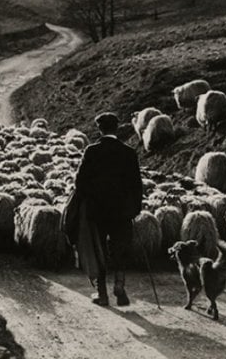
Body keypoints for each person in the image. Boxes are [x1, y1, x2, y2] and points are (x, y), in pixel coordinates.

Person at [74, 112, 143, 306]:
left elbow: (80, 182)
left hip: (97, 212)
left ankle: (102, 294)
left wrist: (88, 201)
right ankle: (120, 286)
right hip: (122, 212)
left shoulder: (92, 151)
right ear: (117, 128)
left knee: (99, 251)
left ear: (99, 129)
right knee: (120, 248)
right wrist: (134, 209)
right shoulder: (129, 153)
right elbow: (136, 185)